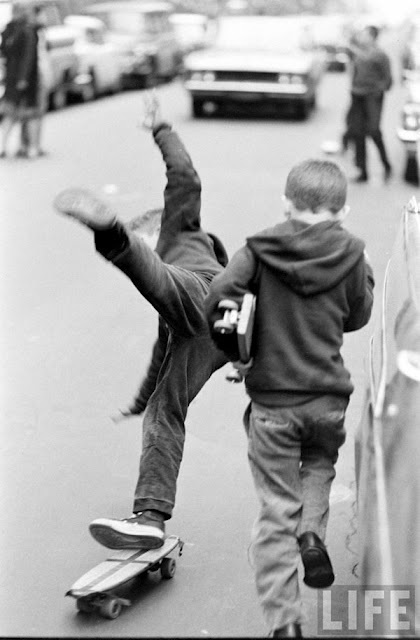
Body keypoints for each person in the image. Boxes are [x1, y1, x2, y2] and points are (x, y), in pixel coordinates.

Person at [205, 159, 375, 638]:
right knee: (319, 464)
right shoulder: (353, 254)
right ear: (342, 210)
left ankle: (285, 624)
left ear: (286, 203)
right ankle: (312, 535)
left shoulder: (258, 251)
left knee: (276, 509)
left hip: (274, 404)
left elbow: (219, 297)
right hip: (328, 400)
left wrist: (239, 351)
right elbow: (358, 315)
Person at [54, 94, 228, 551]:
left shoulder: (184, 229)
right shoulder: (170, 301)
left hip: (203, 291)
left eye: (146, 234)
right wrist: (138, 400)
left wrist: (161, 130)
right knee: (163, 409)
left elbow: (185, 178)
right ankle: (150, 517)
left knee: (161, 277)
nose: (153, 241)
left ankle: (112, 236)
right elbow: (160, 353)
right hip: (214, 335)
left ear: (157, 225)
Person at [347, 25, 393, 183]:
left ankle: (386, 165)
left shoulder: (380, 55)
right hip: (358, 96)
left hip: (372, 97)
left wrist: (376, 90)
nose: (362, 37)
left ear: (373, 37)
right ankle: (362, 171)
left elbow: (388, 80)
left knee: (374, 130)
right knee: (358, 132)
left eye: (365, 35)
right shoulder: (358, 54)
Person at [0, 2, 39, 158]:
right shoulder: (13, 31)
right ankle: (6, 146)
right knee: (14, 113)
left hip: (22, 78)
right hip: (17, 78)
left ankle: (30, 147)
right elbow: (23, 57)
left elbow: (27, 57)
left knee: (26, 114)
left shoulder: (24, 30)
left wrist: (22, 78)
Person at [18, 4, 52, 158]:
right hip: (35, 77)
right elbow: (29, 58)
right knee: (35, 112)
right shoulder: (31, 33)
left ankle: (27, 145)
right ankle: (33, 146)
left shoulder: (37, 32)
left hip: (32, 77)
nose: (45, 18)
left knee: (28, 113)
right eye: (43, 15)